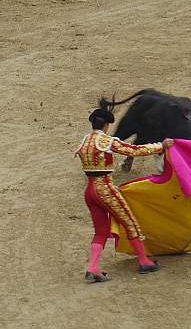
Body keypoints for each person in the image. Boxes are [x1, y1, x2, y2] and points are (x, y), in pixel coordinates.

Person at [76, 97, 173, 283]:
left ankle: (93, 268)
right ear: (105, 125)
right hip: (104, 189)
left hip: (89, 192)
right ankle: (144, 261)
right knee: (130, 223)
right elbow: (133, 150)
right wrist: (160, 146)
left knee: (100, 231)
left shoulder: (84, 142)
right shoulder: (105, 141)